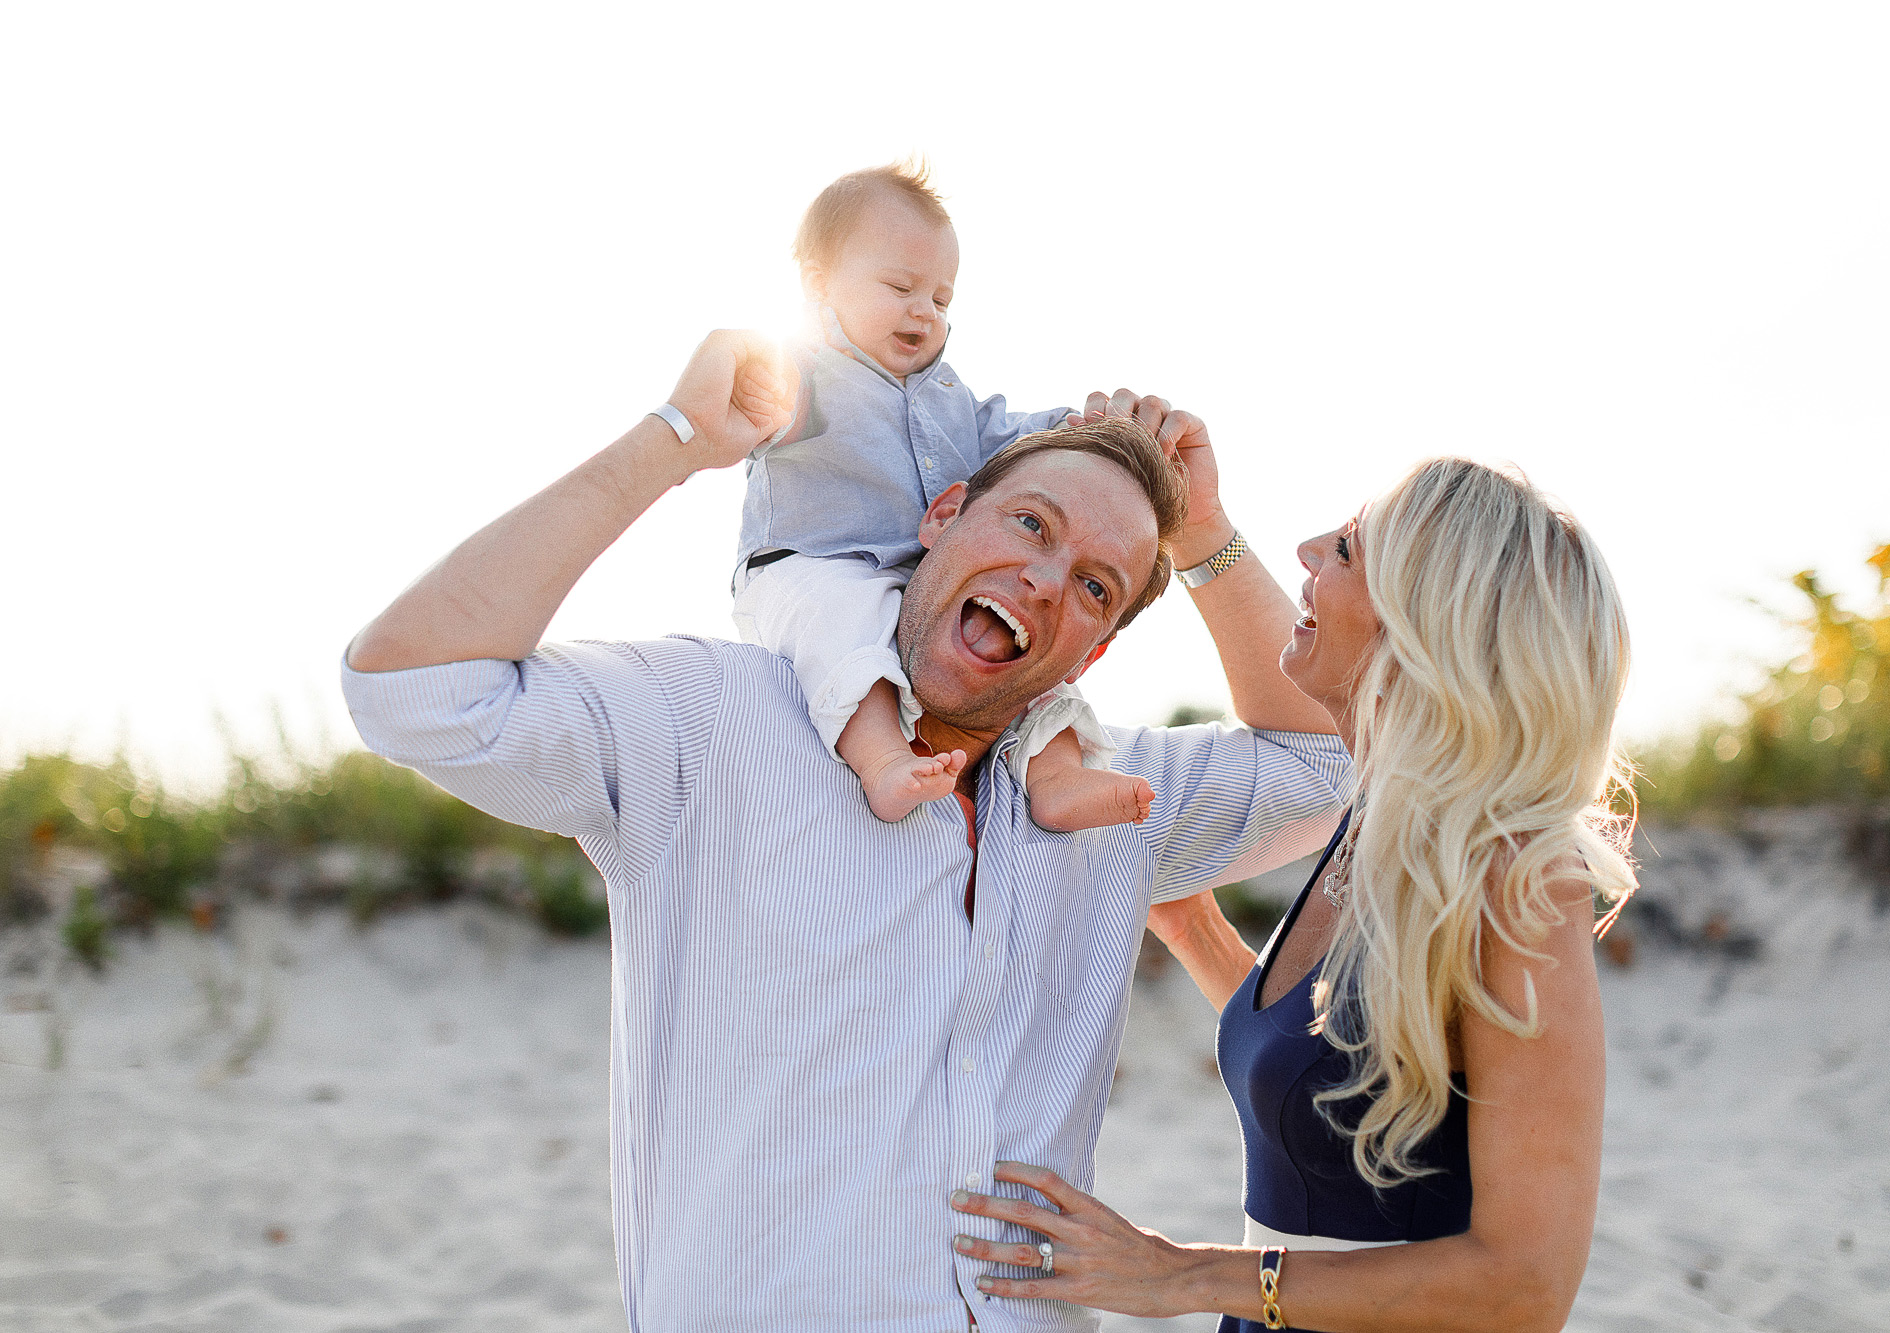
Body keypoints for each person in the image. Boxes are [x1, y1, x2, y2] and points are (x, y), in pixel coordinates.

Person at [339, 328, 1350, 1331]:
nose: (1046, 578)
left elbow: (1329, 759)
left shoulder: (1111, 797)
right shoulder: (711, 720)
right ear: (941, 515)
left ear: (1090, 653)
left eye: (1095, 585)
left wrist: (1204, 531)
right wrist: (678, 438)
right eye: (1030, 524)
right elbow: (413, 686)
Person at [949, 457, 1639, 1333]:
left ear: (1426, 618)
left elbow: (1524, 1287)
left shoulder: (1522, 880)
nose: (1309, 552)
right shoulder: (1379, 822)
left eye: (1348, 549)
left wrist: (1181, 1274)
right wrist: (1190, 924)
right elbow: (1335, 1070)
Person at [736, 161, 1149, 832]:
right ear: (819, 285)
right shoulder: (803, 372)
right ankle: (882, 762)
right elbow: (749, 406)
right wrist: (747, 393)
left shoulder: (948, 396)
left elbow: (1013, 435)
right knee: (846, 626)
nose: (923, 312)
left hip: (918, 582)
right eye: (900, 287)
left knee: (1037, 656)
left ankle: (1057, 774)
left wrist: (1089, 426)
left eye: (941, 299)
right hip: (811, 567)